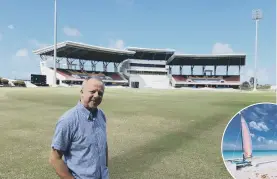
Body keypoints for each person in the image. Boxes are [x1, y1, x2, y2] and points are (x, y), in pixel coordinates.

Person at [49, 77, 109, 179]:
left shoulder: (101, 115)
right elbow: (55, 158)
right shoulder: (68, 120)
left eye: (100, 93)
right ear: (82, 92)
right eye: (92, 91)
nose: (96, 96)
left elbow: (104, 146)